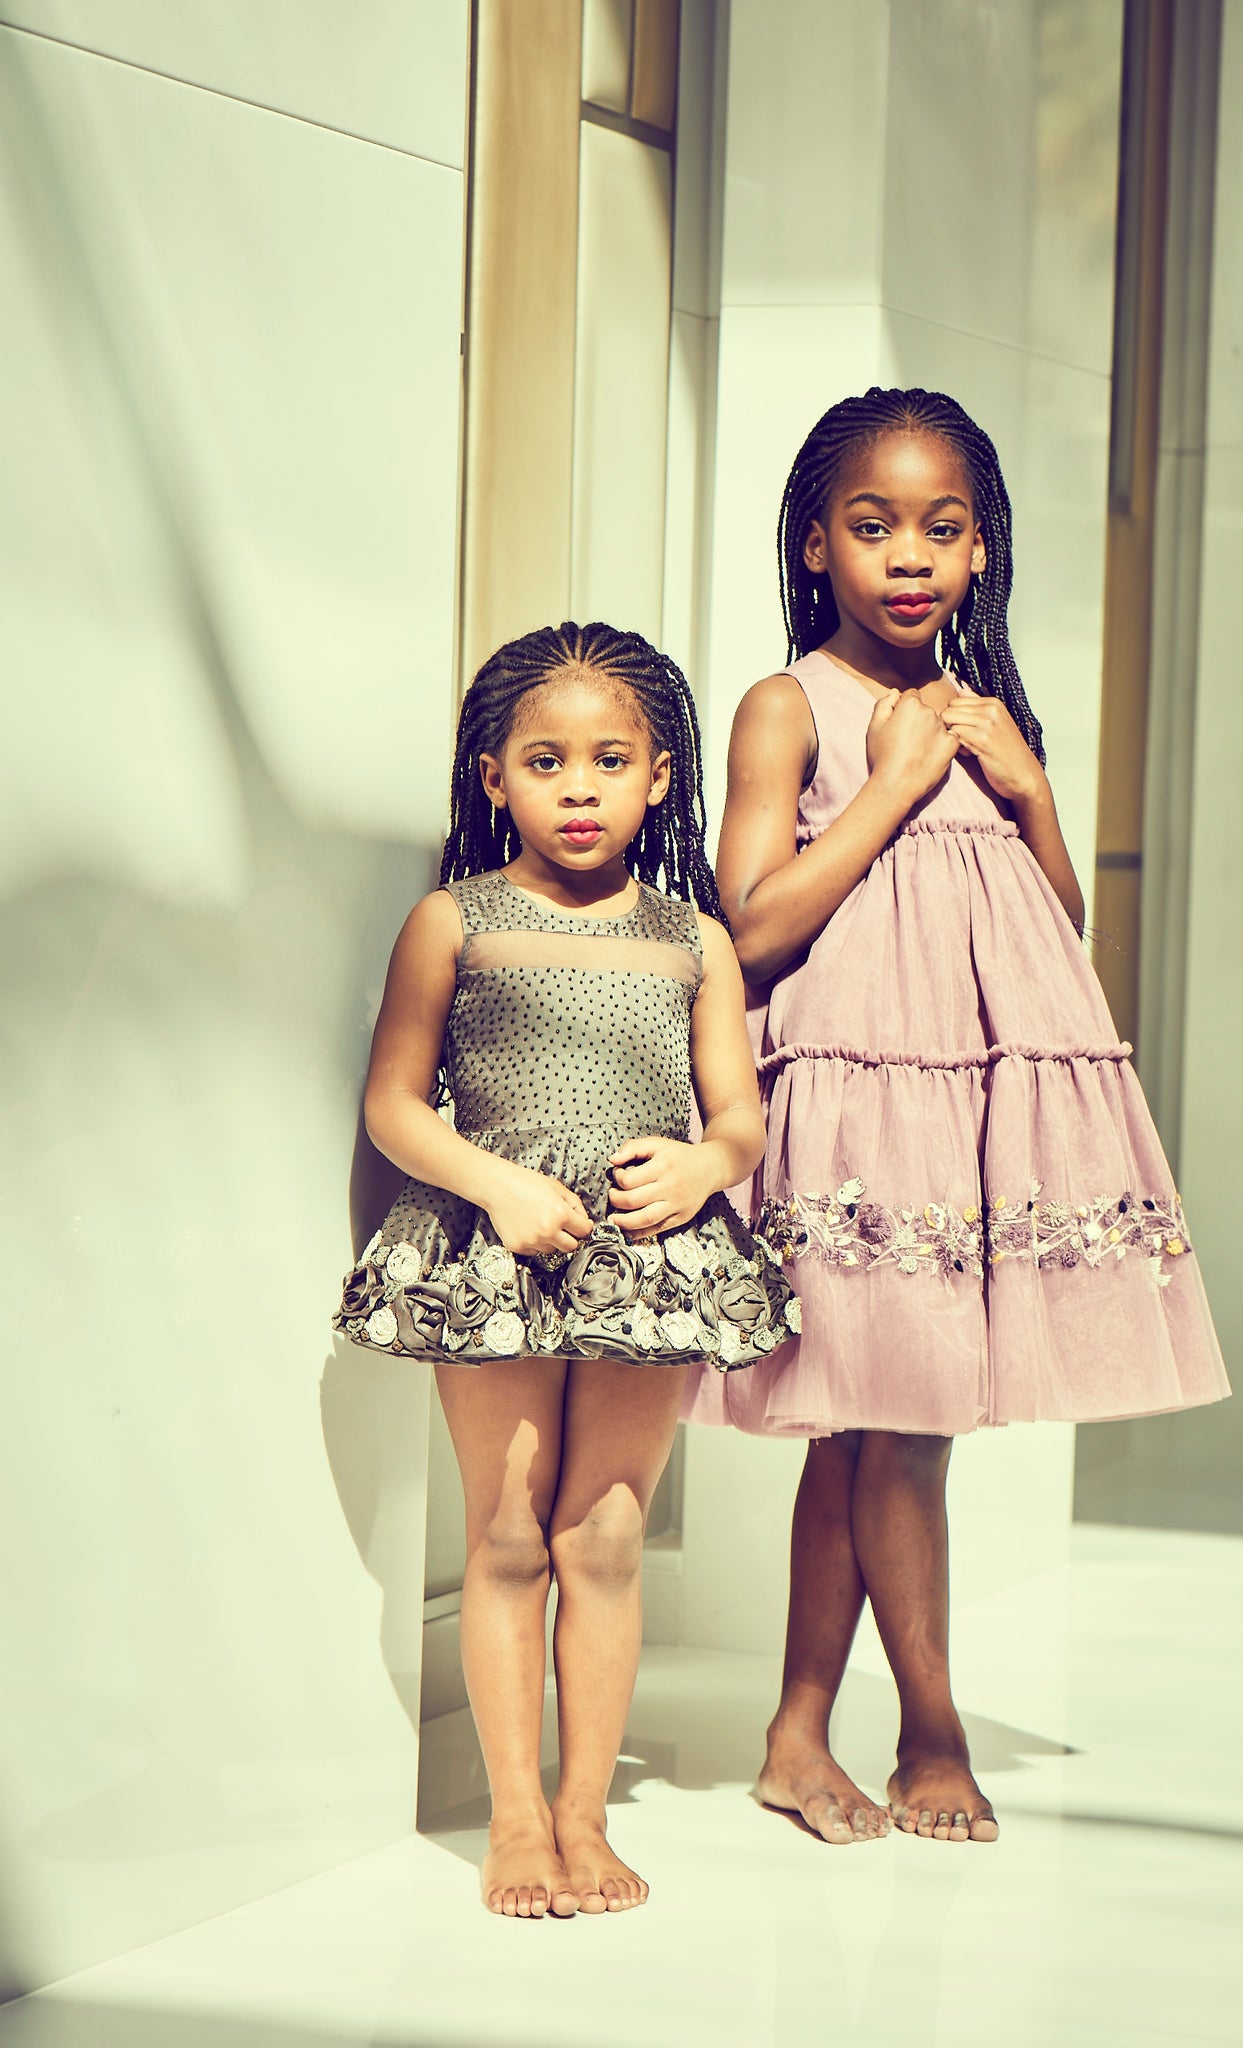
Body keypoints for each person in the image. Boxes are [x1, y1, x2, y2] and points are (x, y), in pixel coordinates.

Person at [683, 386, 1230, 1847]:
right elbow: (747, 929)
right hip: (859, 1107)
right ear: (815, 547)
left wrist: (1029, 789)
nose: (907, 556)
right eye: (871, 527)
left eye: (940, 528)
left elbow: (1048, 933)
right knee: (901, 1429)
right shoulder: (788, 708)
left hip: (969, 1113)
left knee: (864, 1430)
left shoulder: (987, 714)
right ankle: (929, 1733)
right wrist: (892, 788)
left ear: (980, 550)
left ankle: (798, 1737)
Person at [337, 621, 794, 1918]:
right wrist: (494, 1182)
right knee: (505, 1532)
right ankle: (515, 1823)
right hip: (495, 1255)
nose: (579, 787)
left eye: (610, 760)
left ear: (660, 777)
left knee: (601, 1538)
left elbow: (738, 1117)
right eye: (546, 761)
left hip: (644, 1259)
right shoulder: (454, 923)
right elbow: (393, 1105)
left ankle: (587, 1820)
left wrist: (708, 1169)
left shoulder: (696, 941)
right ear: (494, 779)